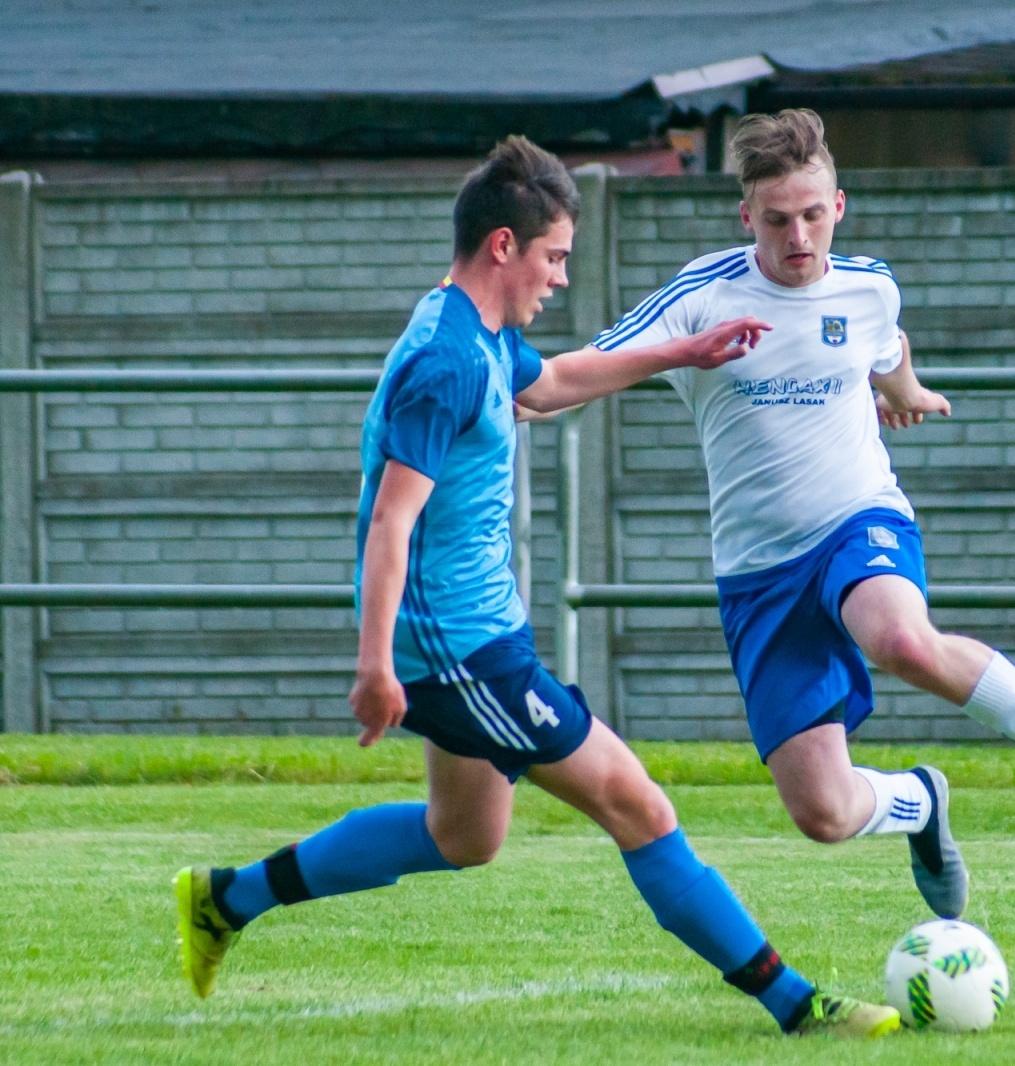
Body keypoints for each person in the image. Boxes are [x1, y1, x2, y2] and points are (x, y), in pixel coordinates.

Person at [173, 135, 901, 1039]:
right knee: (637, 804)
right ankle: (797, 1005)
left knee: (463, 836)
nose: (559, 278)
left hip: (473, 635)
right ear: (503, 247)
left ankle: (225, 899)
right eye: (554, 257)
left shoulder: (474, 331)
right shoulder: (446, 362)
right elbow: (390, 521)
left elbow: (554, 382)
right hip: (461, 652)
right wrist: (374, 666)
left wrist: (686, 350)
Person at [591, 109, 1015, 924]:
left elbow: (887, 345)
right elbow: (585, 368)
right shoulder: (701, 296)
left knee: (902, 640)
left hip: (858, 518)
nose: (799, 236)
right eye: (777, 220)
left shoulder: (868, 286)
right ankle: (921, 802)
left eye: (813, 215)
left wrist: (907, 392)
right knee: (824, 813)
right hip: (758, 573)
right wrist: (502, 390)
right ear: (745, 217)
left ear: (839, 206)